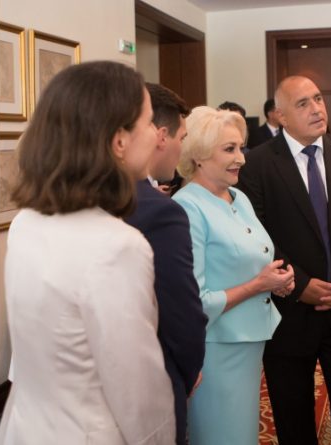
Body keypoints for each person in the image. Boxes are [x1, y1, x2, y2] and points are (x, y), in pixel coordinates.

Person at [0, 61, 175, 444]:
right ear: (119, 141)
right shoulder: (116, 246)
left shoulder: (27, 221)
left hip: (27, 428)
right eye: (148, 122)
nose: (156, 135)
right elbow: (138, 391)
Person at [237, 75, 331, 445]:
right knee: (294, 423)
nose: (316, 108)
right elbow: (256, 237)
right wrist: (300, 286)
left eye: (318, 99)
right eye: (303, 103)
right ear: (281, 116)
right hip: (289, 318)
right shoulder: (256, 164)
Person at [172, 106, 295, 445]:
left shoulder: (238, 197)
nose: (241, 158)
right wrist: (259, 284)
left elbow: (251, 258)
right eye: (229, 149)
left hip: (248, 343)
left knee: (241, 434)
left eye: (241, 147)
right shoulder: (187, 208)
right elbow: (195, 301)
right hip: (214, 350)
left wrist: (276, 282)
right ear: (198, 155)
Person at [124, 82, 209, 445]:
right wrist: (186, 373)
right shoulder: (161, 211)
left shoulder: (42, 214)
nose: (182, 149)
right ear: (162, 136)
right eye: (182, 137)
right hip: (151, 378)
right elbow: (181, 313)